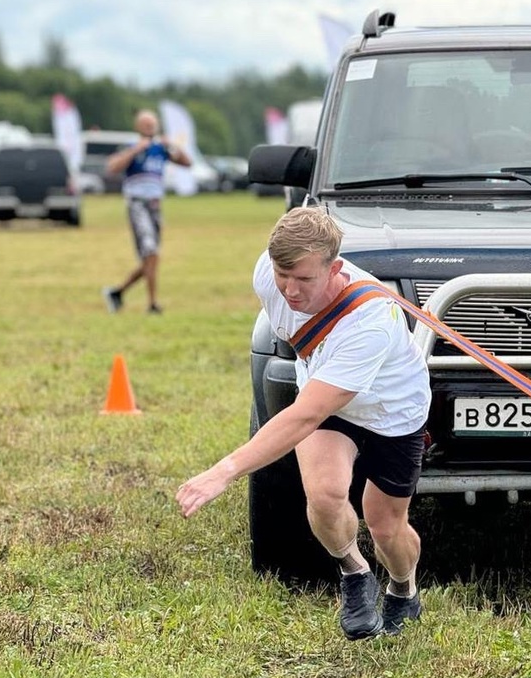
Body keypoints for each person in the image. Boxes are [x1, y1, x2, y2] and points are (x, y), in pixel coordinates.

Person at [175, 207, 431, 640]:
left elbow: (303, 415)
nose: (290, 291)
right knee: (326, 496)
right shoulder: (268, 274)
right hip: (326, 398)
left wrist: (224, 471)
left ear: (335, 269)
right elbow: (313, 409)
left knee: (385, 525)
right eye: (283, 274)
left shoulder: (369, 323)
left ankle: (403, 590)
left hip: (391, 411)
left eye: (305, 280)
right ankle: (354, 573)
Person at [102, 109, 191, 314]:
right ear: (138, 127)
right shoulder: (131, 146)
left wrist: (173, 145)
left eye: (153, 124)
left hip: (155, 205)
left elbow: (187, 162)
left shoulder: (161, 149)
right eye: (146, 124)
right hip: (137, 204)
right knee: (151, 252)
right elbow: (112, 167)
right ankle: (152, 303)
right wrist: (135, 151)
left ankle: (117, 293)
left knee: (152, 257)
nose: (150, 128)